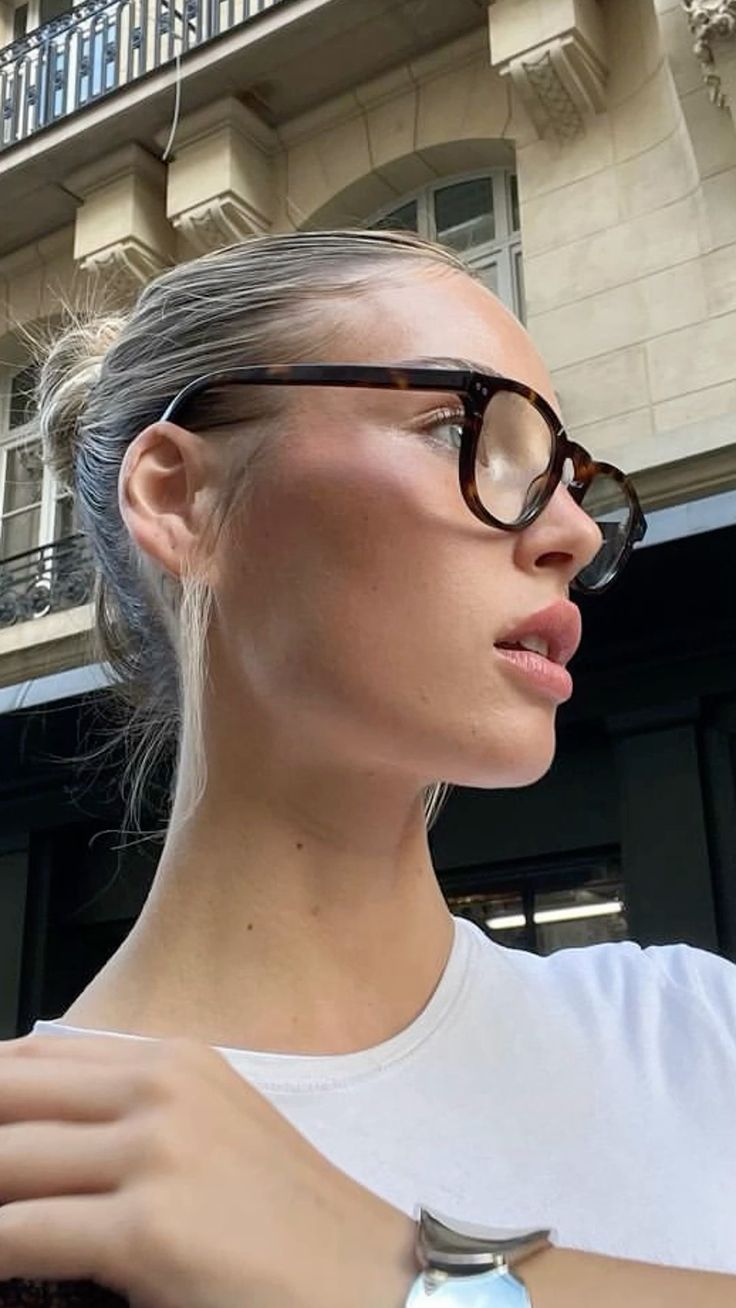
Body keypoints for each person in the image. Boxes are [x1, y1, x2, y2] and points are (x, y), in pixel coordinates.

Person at [0, 229, 734, 1308]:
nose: (574, 534)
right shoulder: (34, 1183)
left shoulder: (696, 1030)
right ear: (178, 497)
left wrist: (414, 1275)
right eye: (462, 430)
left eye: (567, 476)